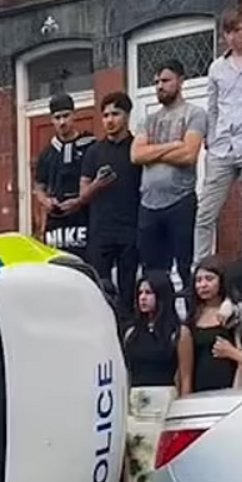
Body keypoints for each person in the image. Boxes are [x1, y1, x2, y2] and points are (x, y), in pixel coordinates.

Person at [130, 59, 207, 292]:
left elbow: (189, 155)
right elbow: (136, 155)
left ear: (180, 81)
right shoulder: (148, 120)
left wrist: (152, 152)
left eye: (165, 80)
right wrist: (172, 145)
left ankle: (190, 321)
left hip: (180, 201)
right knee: (152, 273)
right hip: (148, 205)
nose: (159, 87)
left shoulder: (194, 113)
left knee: (186, 268)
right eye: (156, 82)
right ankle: (160, 322)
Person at [120, 271, 182, 482]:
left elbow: (185, 376)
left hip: (165, 401)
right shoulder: (131, 333)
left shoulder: (177, 332)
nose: (144, 298)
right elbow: (127, 375)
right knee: (137, 475)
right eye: (140, 293)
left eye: (149, 293)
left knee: (162, 474)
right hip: (136, 405)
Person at [79, 92, 142, 317]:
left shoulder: (137, 148)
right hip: (101, 232)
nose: (109, 120)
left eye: (115, 114)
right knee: (99, 291)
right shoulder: (94, 152)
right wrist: (98, 184)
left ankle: (127, 337)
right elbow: (82, 195)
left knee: (127, 292)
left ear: (127, 115)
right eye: (105, 115)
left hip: (130, 230)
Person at [193, 4, 242, 263]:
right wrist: (212, 141)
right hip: (222, 147)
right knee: (205, 212)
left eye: (237, 30)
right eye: (227, 32)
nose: (232, 37)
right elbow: (212, 107)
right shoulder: (217, 67)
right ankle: (199, 270)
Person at [33, 93, 96, 258]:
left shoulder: (91, 146)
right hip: (56, 225)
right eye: (57, 117)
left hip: (85, 220)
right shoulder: (47, 153)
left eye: (66, 116)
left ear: (74, 115)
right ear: (51, 120)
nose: (62, 122)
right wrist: (46, 201)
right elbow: (39, 186)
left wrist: (81, 200)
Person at [178, 255, 242, 394]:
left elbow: (241, 361)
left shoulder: (232, 313)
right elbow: (185, 369)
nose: (203, 285)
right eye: (198, 280)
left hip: (231, 389)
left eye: (209, 279)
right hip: (200, 389)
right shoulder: (192, 318)